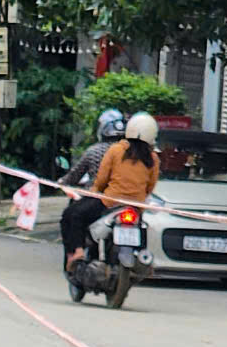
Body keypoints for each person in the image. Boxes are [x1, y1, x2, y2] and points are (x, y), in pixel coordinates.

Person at [75, 112, 161, 272]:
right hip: (136, 206)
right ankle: (141, 256)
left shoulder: (116, 150)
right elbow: (150, 186)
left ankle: (82, 256)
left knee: (79, 217)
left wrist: (97, 191)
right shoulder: (153, 158)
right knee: (142, 228)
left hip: (111, 203)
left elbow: (102, 179)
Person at [59, 109, 129, 267]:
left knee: (71, 215)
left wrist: (62, 182)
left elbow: (74, 175)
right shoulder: (133, 152)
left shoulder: (95, 151)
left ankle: (76, 252)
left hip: (101, 200)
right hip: (130, 200)